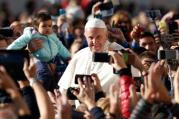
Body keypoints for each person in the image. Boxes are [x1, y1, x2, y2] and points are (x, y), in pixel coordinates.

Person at [7, 12, 70, 91]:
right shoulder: (31, 34)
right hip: (39, 58)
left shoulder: (52, 35)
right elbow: (18, 43)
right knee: (43, 74)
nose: (47, 28)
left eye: (50, 26)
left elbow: (60, 46)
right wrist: (8, 52)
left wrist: (68, 56)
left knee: (61, 73)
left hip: (53, 58)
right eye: (44, 26)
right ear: (36, 26)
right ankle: (43, 91)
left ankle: (54, 90)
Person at [58, 18, 124, 93]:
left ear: (106, 35)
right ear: (85, 36)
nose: (94, 42)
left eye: (98, 37)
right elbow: (64, 89)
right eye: (91, 38)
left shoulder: (119, 52)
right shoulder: (79, 55)